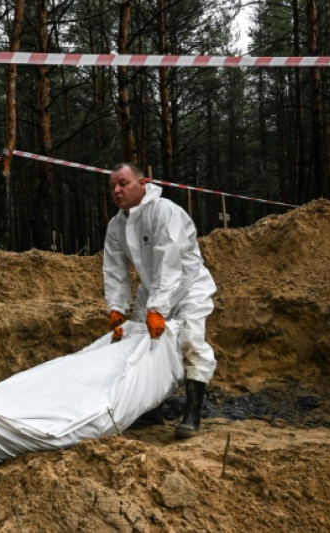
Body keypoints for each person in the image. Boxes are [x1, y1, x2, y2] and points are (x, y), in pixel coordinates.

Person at [103, 163, 217, 439]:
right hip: (153, 290)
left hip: (188, 286)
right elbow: (116, 271)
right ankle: (151, 409)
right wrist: (117, 309)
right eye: (113, 186)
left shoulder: (164, 212)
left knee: (191, 340)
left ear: (143, 183)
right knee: (144, 345)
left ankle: (192, 412)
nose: (117, 190)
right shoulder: (116, 226)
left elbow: (170, 261)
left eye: (124, 183)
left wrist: (158, 309)